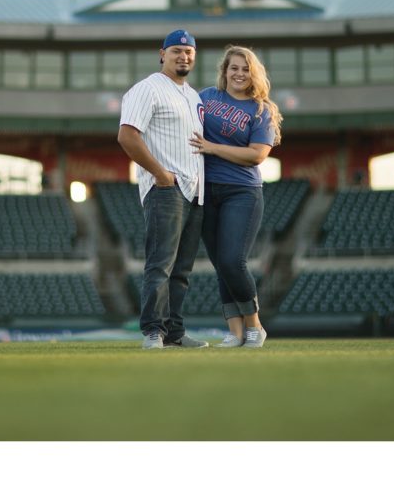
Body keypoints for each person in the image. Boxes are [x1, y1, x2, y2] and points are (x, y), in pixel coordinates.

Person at [118, 29, 209, 350]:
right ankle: (153, 332)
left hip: (196, 191)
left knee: (181, 271)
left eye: (188, 52)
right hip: (166, 188)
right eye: (176, 51)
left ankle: (174, 333)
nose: (183, 56)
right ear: (162, 54)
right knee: (161, 265)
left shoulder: (194, 96)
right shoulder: (148, 89)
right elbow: (127, 136)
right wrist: (159, 173)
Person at [191, 45, 282, 348]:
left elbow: (257, 155)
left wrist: (212, 148)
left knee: (233, 260)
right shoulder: (206, 97)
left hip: (241, 192)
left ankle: (255, 326)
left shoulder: (261, 110)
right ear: (224, 71)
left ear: (253, 73)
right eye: (234, 68)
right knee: (221, 264)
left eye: (245, 69)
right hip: (205, 190)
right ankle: (235, 333)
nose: (239, 73)